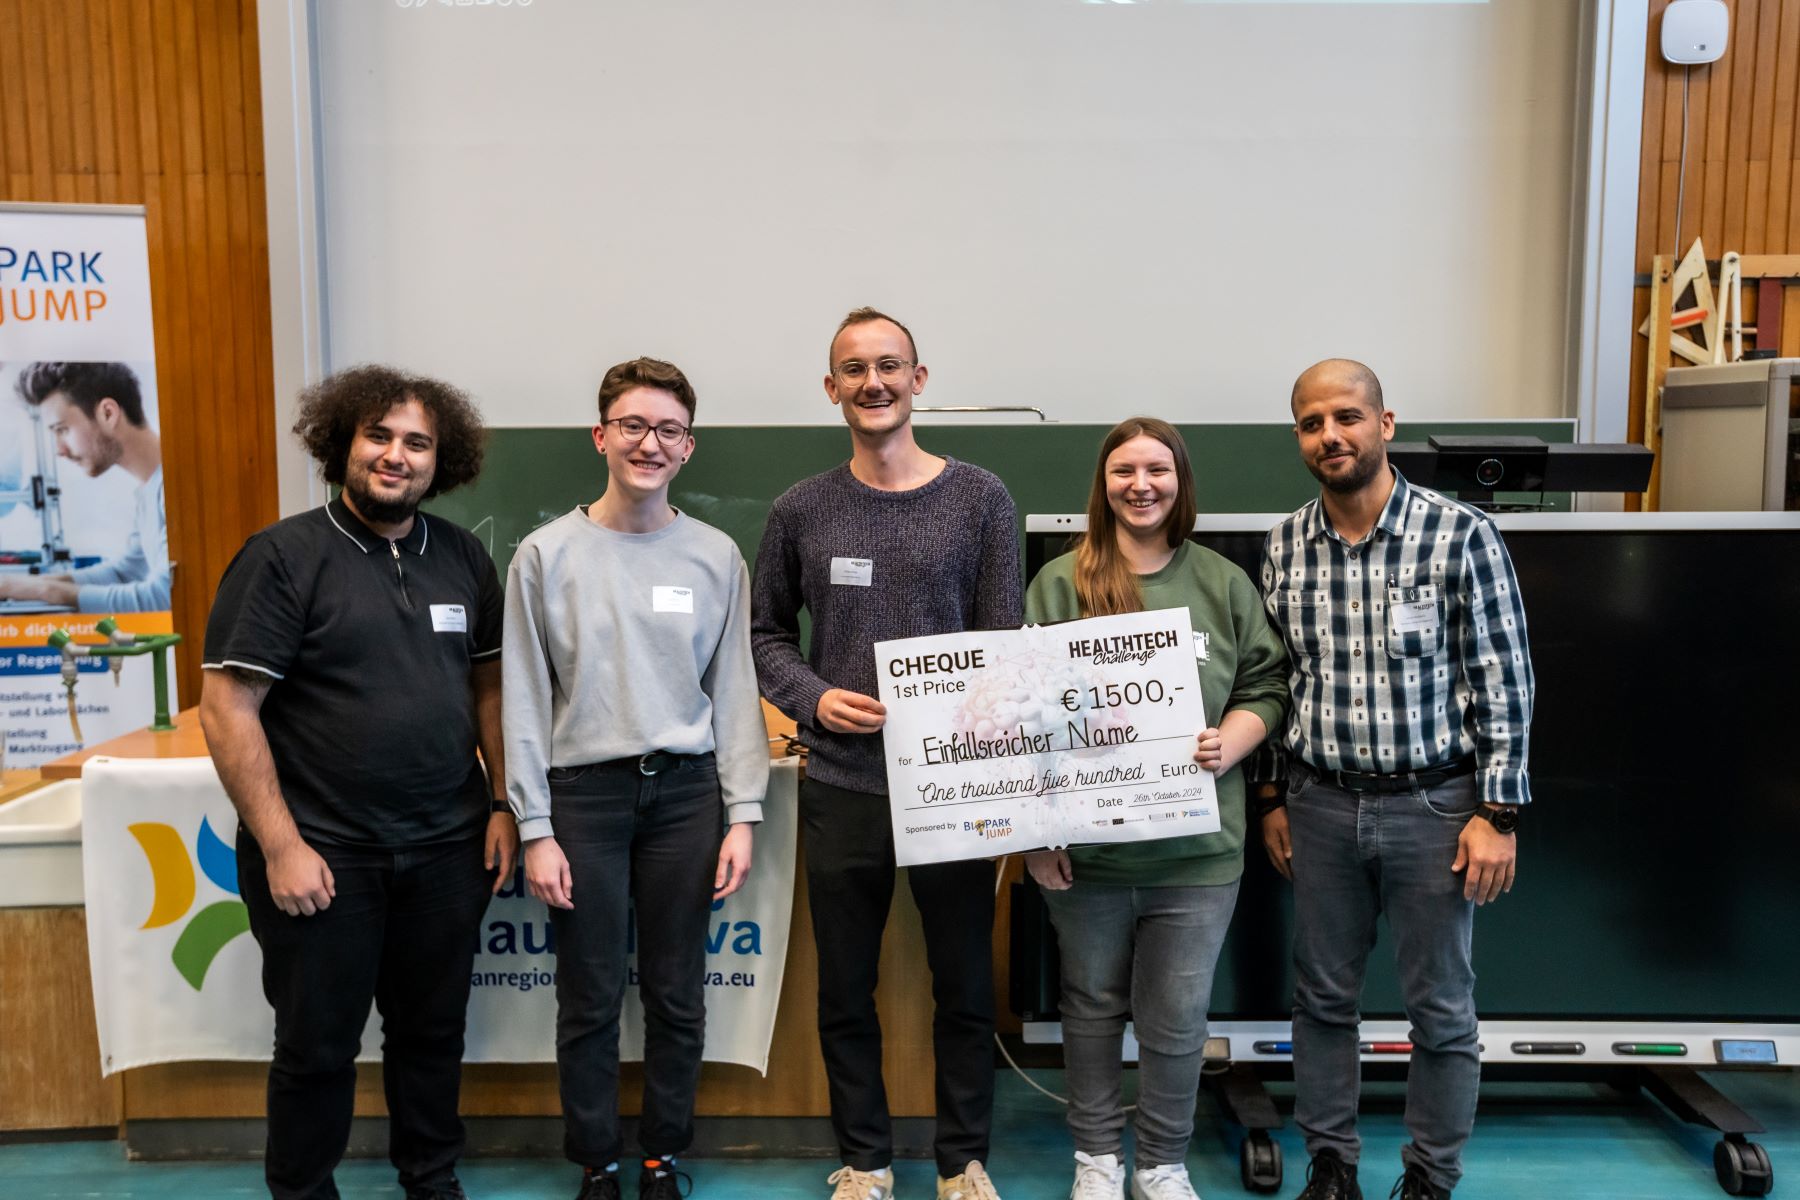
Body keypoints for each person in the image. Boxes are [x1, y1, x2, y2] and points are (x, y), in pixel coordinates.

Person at [199, 365, 518, 1200]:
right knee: (317, 1047)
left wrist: (500, 802)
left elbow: (489, 688)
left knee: (432, 1036)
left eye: (417, 442)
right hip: (323, 854)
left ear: (440, 461)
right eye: (379, 436)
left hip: (446, 851)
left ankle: (431, 1180)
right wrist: (281, 846)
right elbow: (227, 707)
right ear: (342, 442)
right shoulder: (282, 558)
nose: (395, 456)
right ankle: (305, 1193)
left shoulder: (462, 557)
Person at [752, 307, 1021, 1200]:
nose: (874, 382)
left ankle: (962, 1162)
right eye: (855, 369)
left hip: (955, 789)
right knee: (845, 988)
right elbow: (764, 634)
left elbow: (1003, 642)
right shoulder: (800, 509)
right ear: (832, 388)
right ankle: (865, 1163)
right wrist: (814, 698)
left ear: (919, 379)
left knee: (965, 987)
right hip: (843, 781)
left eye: (890, 365)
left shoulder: (981, 499)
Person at [1259, 359, 1533, 1200]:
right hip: (1319, 803)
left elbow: (1504, 677)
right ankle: (1331, 1165)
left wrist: (1499, 812)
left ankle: (1430, 1178)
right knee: (1321, 1001)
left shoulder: (1460, 534)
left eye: (1347, 416)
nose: (1330, 435)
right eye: (1312, 423)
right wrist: (1271, 795)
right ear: (1299, 437)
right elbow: (1274, 680)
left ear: (1385, 424)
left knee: (1441, 1008)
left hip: (1436, 808)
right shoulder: (1284, 544)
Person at [504, 357, 768, 1200]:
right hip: (583, 799)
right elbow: (522, 698)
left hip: (686, 797)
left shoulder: (716, 556)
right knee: (587, 998)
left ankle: (660, 1157)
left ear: (688, 447)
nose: (649, 444)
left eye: (668, 430)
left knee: (676, 994)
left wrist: (744, 812)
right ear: (601, 436)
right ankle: (597, 1162)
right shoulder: (544, 556)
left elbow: (735, 690)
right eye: (633, 425)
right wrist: (535, 827)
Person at [1022, 417, 1289, 1200]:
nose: (1141, 485)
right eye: (1124, 471)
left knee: (1177, 1019)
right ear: (1103, 484)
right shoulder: (1060, 583)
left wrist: (1233, 741)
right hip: (1088, 853)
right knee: (1090, 1009)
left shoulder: (1222, 582)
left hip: (1198, 854)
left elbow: (1267, 686)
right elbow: (1024, 715)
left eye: (1157, 470)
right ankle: (1097, 1160)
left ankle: (1163, 1164)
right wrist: (1037, 835)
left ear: (1181, 481)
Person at [2, 360, 168, 610]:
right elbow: (126, 572)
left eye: (62, 430)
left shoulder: (176, 489)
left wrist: (47, 590)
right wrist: (20, 585)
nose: (59, 450)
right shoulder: (149, 490)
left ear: (108, 413)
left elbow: (164, 597)